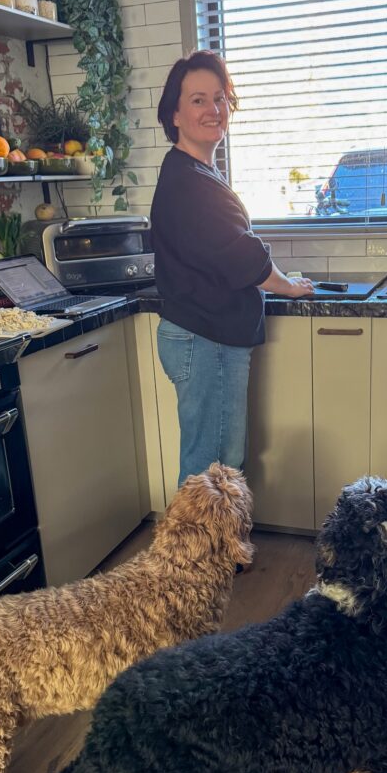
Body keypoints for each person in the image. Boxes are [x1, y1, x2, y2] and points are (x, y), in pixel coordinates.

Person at [151, 50, 315, 487]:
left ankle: (211, 554)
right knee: (213, 470)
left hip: (204, 336)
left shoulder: (196, 173)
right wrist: (286, 286)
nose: (214, 110)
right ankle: (200, 557)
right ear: (176, 114)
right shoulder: (190, 180)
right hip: (206, 338)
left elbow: (228, 249)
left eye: (220, 99)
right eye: (199, 100)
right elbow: (241, 253)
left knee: (214, 465)